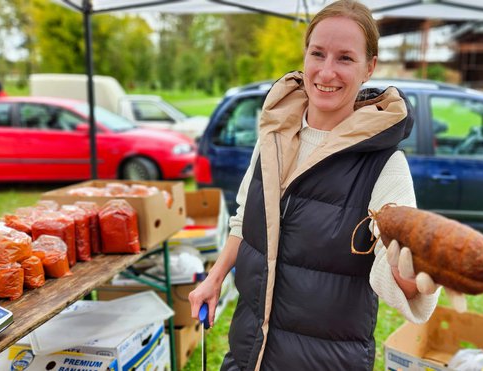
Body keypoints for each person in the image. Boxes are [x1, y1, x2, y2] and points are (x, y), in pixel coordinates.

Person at [189, 1, 444, 369]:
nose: (326, 71)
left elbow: (395, 260)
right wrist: (214, 278)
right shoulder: (273, 138)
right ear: (304, 56)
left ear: (369, 68)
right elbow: (245, 219)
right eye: (318, 53)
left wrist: (419, 270)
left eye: (345, 58)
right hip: (249, 350)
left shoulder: (386, 164)